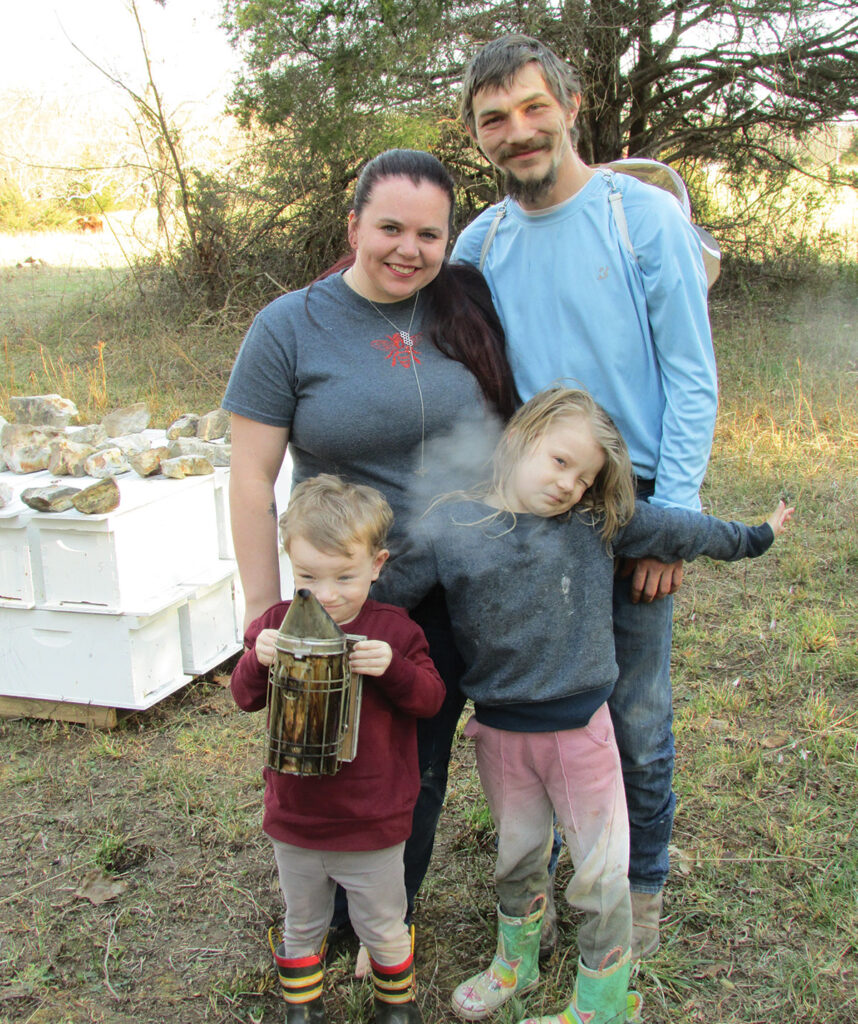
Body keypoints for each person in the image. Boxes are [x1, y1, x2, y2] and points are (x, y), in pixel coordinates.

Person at [373, 386, 793, 1024]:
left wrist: (757, 535)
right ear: (519, 440)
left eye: (586, 475)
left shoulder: (598, 525)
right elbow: (384, 597)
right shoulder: (451, 527)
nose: (571, 484)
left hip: (581, 737)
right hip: (500, 736)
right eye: (560, 461)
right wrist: (322, 613)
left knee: (600, 876)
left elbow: (686, 530)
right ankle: (516, 962)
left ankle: (602, 1003)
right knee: (515, 858)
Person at [451, 33, 719, 957]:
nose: (517, 131)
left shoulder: (639, 217)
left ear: (568, 104)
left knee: (635, 709)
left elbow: (691, 374)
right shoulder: (482, 242)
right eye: (495, 118)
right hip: (533, 505)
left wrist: (670, 525)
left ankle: (637, 890)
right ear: (477, 134)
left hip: (629, 494)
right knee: (551, 697)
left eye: (533, 108)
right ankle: (567, 868)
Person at [222, 149, 518, 951]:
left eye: (429, 234)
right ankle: (323, 906)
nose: (408, 249)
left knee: (420, 760)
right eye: (389, 227)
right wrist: (260, 607)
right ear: (353, 225)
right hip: (351, 594)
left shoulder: (466, 309)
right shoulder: (291, 326)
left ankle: (386, 916)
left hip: (461, 584)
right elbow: (251, 478)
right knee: (337, 756)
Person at [230, 474, 446, 1024]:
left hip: (371, 820)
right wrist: (257, 657)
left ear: (377, 564)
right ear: (290, 564)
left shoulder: (393, 632)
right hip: (297, 818)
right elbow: (244, 698)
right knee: (302, 920)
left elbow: (431, 699)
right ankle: (302, 1008)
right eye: (307, 576)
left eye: (344, 576)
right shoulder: (279, 624)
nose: (325, 594)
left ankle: (397, 1009)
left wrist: (391, 668)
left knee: (383, 922)